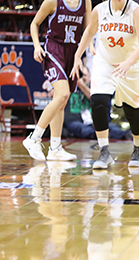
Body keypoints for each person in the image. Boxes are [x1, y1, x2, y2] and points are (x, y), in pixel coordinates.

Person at [70, 0, 139, 169]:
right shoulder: (100, 10)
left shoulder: (135, 10)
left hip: (131, 65)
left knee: (131, 110)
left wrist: (128, 63)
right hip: (105, 63)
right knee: (97, 101)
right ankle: (104, 151)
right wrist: (77, 55)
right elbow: (89, 31)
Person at [23, 0, 92, 161]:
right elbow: (35, 23)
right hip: (54, 50)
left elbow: (88, 30)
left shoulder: (85, 2)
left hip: (72, 52)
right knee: (62, 94)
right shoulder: (53, 1)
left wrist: (85, 52)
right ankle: (34, 138)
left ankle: (55, 148)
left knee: (62, 100)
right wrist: (36, 46)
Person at [64, 66, 130, 140]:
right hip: (74, 121)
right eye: (80, 75)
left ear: (89, 77)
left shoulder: (92, 88)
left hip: (91, 121)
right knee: (84, 129)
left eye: (85, 75)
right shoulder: (69, 87)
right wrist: (73, 83)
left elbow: (93, 99)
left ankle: (128, 134)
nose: (83, 78)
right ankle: (101, 135)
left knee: (110, 126)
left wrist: (81, 85)